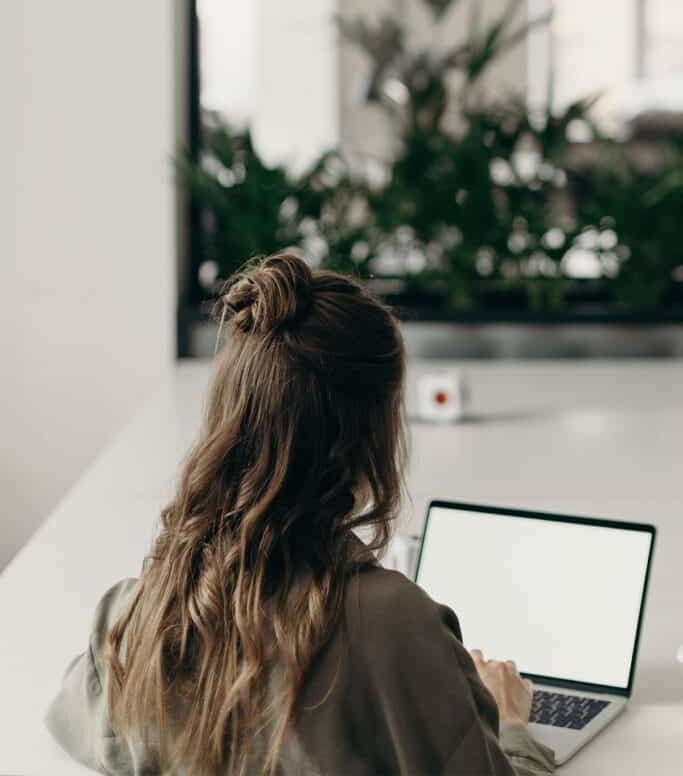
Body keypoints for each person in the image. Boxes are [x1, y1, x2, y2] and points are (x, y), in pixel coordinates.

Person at [46, 253, 555, 776]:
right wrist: (511, 722)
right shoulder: (395, 627)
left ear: (228, 419)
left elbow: (75, 718)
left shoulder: (136, 616)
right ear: (374, 438)